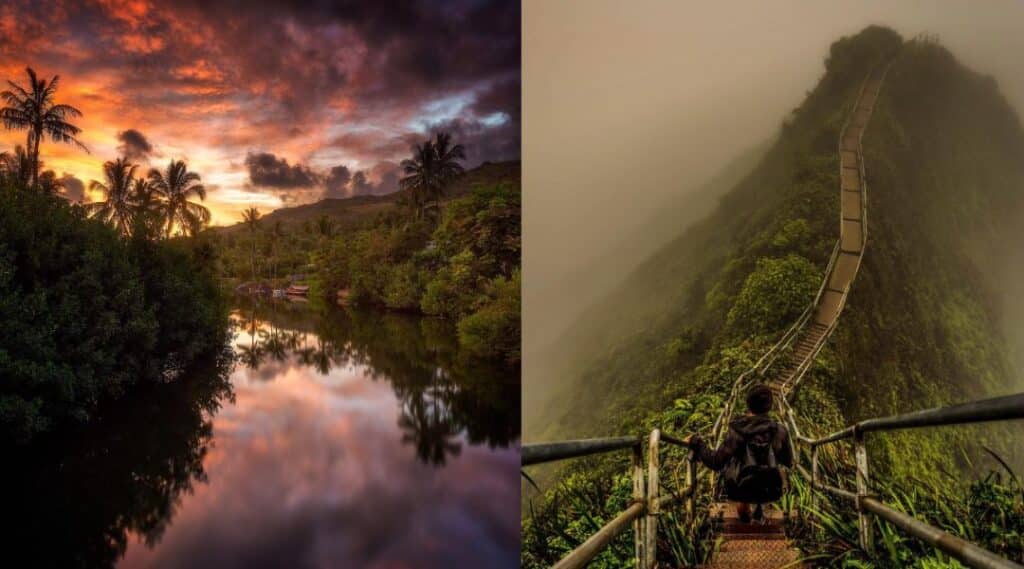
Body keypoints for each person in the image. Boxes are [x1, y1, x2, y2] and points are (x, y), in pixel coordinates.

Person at [684, 384, 793, 523]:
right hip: (771, 490)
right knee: (766, 465)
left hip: (740, 489)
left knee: (735, 461)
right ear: (770, 405)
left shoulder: (737, 430)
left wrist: (697, 442)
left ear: (748, 405)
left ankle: (746, 511)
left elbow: (716, 462)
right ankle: (758, 508)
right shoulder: (780, 431)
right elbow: (789, 462)